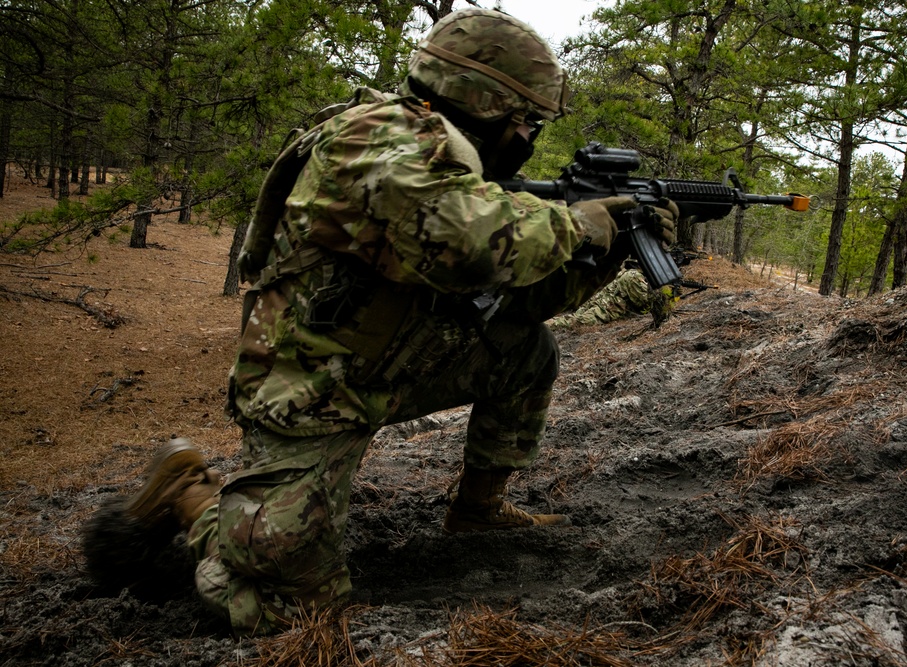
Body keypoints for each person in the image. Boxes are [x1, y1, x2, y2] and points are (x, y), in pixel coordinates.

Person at [85, 8, 677, 635]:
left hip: (385, 362)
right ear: (483, 103)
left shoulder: (437, 159)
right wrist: (576, 223)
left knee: (523, 348)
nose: (527, 133)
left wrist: (605, 255)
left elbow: (521, 298)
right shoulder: (378, 139)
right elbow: (466, 241)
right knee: (291, 603)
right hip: (310, 389)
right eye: (524, 119)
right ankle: (195, 502)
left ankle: (478, 511)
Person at [548, 265, 676, 328]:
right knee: (576, 322)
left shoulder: (632, 274)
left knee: (574, 317)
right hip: (608, 308)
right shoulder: (634, 277)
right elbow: (641, 303)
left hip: (601, 301)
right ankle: (548, 325)